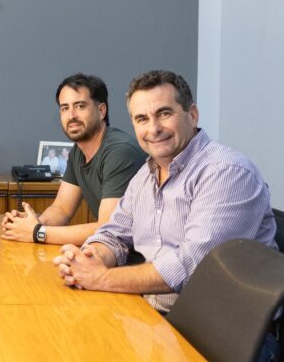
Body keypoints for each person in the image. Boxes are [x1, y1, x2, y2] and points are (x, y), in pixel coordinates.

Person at [53, 70, 278, 316]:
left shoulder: (226, 172)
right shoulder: (145, 175)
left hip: (215, 327)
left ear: (192, 115)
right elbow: (114, 234)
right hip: (153, 314)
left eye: (164, 113)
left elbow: (192, 265)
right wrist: (91, 256)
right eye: (142, 119)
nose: (154, 129)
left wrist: (101, 277)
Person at [2, 73, 146, 246]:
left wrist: (38, 232)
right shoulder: (78, 152)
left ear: (101, 111)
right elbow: (61, 209)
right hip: (113, 252)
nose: (71, 115)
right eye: (64, 108)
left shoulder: (120, 151)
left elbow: (108, 229)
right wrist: (31, 222)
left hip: (142, 257)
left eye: (80, 106)